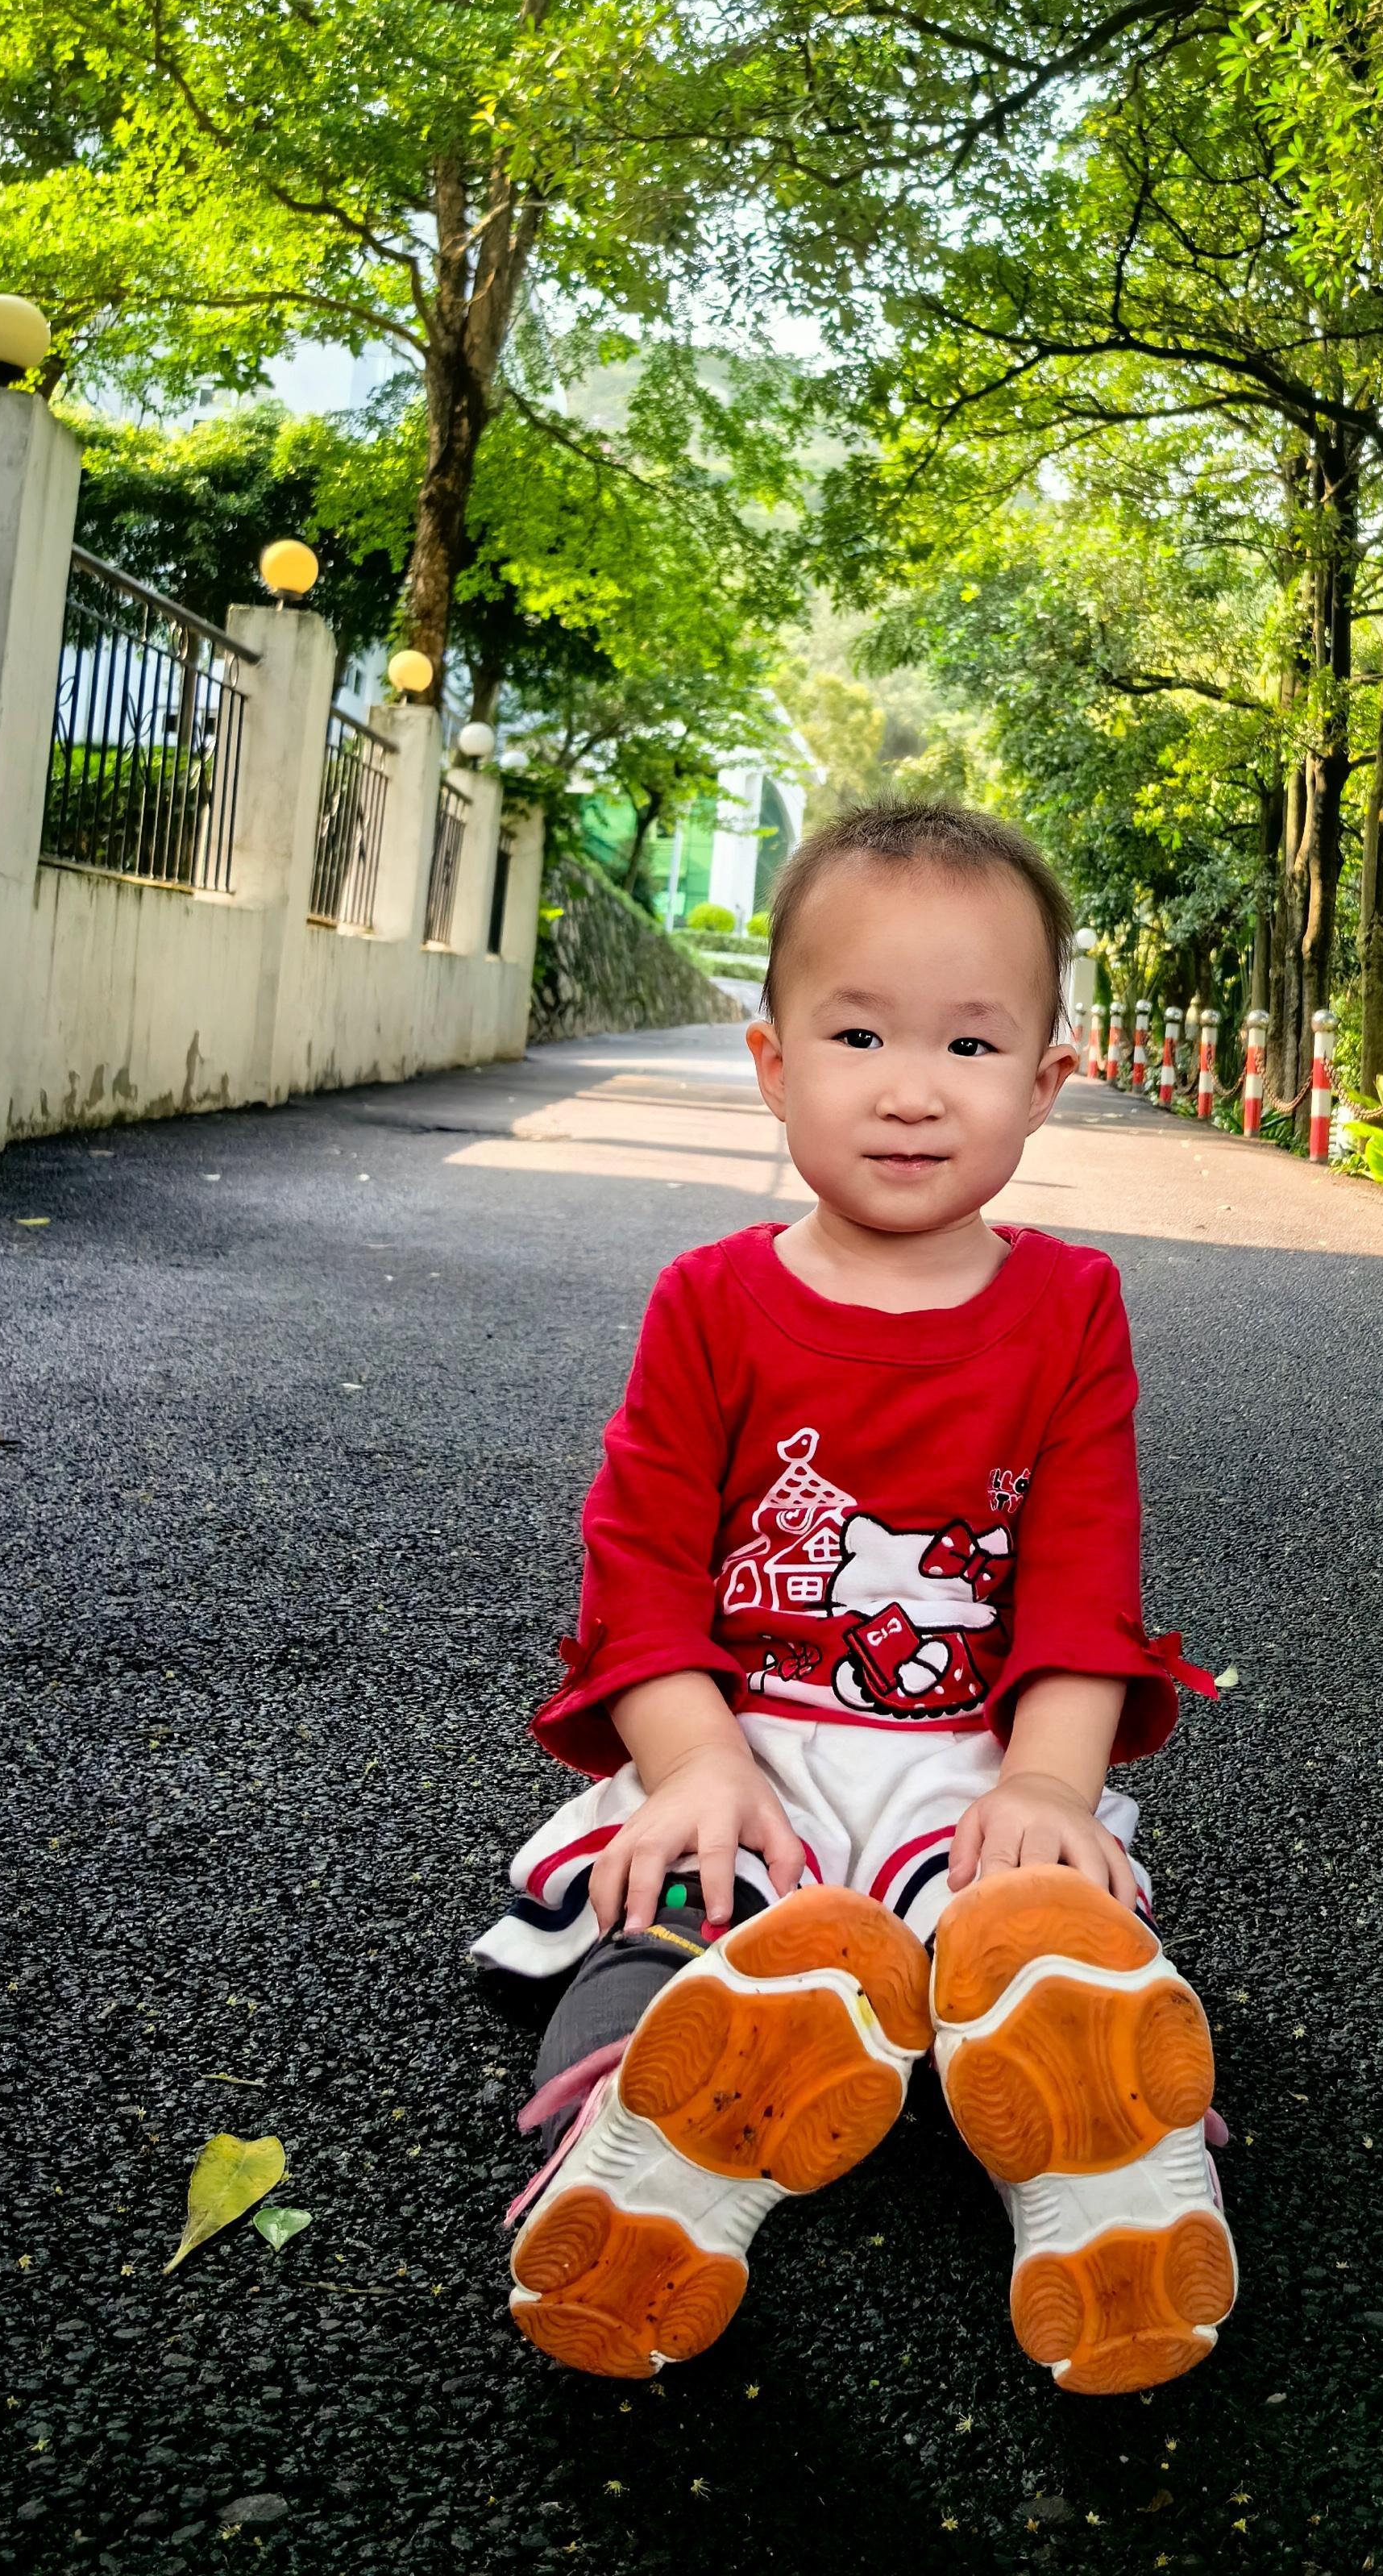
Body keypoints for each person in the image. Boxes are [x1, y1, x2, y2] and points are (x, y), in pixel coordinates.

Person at [473, 801, 1235, 2395]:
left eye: (968, 1042)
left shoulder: (1071, 1305)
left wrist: (1046, 1784)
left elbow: (1087, 1571)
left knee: (1035, 1927)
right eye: (859, 1030)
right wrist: (690, 1767)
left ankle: (1106, 2175)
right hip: (740, 1736)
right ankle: (635, 2150)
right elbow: (643, 1566)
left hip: (966, 1754)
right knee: (668, 1905)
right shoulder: (711, 1300)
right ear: (772, 1061)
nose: (908, 1086)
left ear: (1044, 1080)